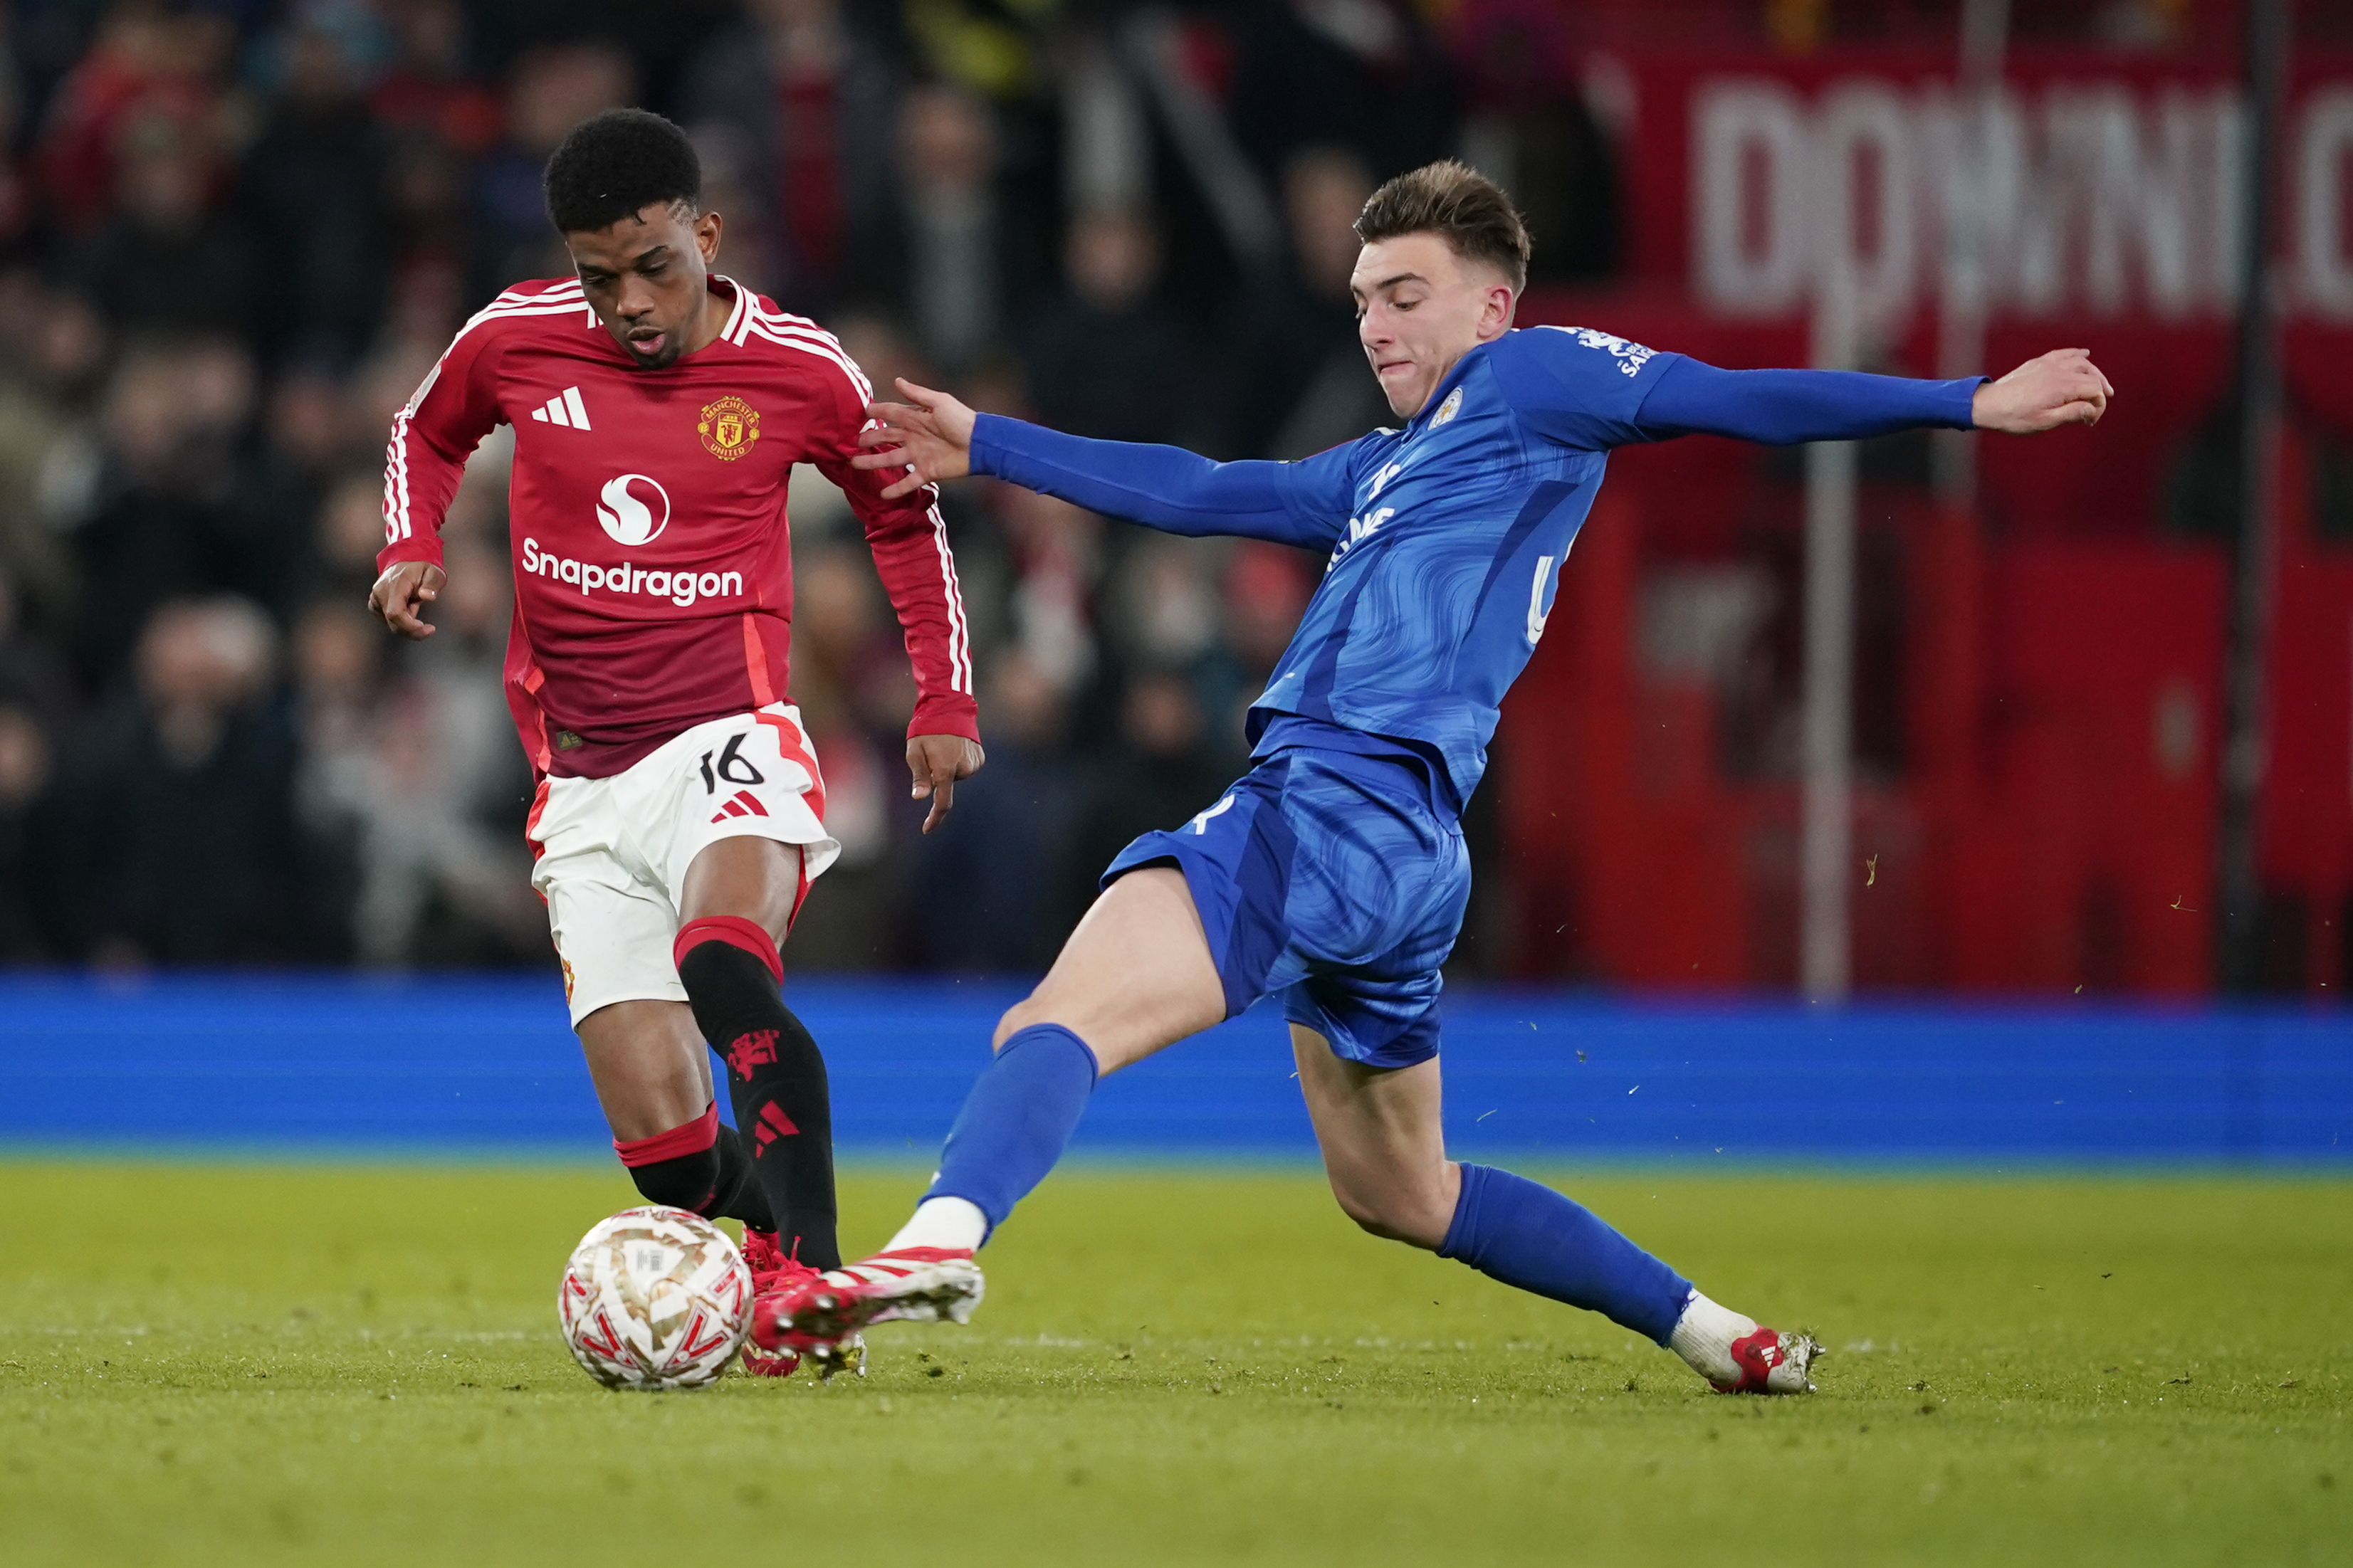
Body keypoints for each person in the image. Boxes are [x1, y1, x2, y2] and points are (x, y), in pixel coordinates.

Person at [754, 160, 2113, 1394]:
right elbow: (1202, 486)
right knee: (1401, 1191)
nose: (1376, 325)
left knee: (1055, 1021)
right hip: (1407, 855)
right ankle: (1719, 1335)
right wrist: (990, 445)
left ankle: (934, 1242)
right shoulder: (1383, 468)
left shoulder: (1533, 381)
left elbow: (1726, 399)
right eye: (1360, 302)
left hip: (1332, 803)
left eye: (1406, 295)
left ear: (1494, 306)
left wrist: (1965, 404)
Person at [367, 109, 983, 1379]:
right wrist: (412, 540)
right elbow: (422, 433)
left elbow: (902, 517)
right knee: (664, 1148)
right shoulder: (515, 338)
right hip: (579, 781)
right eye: (602, 279)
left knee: (723, 957)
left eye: (656, 267)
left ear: (706, 236)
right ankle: (759, 1274)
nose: (632, 303)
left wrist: (943, 702)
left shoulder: (800, 367)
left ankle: (814, 1285)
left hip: (726, 736)